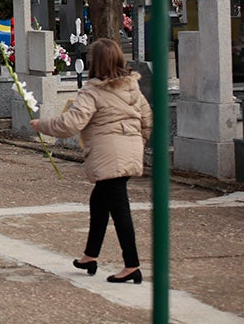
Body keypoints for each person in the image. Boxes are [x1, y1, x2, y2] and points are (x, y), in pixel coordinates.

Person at [30, 38, 153, 284]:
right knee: (99, 202)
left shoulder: (93, 91)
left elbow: (71, 124)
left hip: (109, 155)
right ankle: (90, 255)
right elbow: (146, 118)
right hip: (129, 150)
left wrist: (41, 124)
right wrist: (137, 143)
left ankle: (132, 265)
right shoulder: (131, 86)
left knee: (120, 210)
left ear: (95, 63)